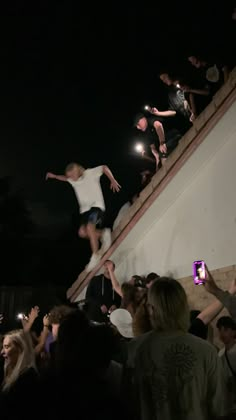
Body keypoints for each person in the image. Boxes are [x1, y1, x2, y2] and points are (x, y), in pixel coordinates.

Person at [130, 277, 228, 420]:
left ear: (150, 309)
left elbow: (128, 405)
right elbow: (219, 410)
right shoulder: (207, 351)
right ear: (184, 307)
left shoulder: (134, 349)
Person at [46, 163, 121, 271]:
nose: (71, 179)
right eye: (69, 177)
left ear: (77, 171)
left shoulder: (90, 173)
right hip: (85, 212)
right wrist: (55, 176)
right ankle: (103, 233)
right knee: (82, 233)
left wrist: (112, 180)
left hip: (97, 207)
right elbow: (64, 178)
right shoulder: (72, 180)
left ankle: (95, 256)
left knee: (90, 227)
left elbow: (104, 167)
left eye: (72, 176)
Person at [0, 330, 39, 420]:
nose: (2, 352)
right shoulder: (11, 372)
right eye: (2, 347)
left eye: (6, 347)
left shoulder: (28, 378)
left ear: (21, 349)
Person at [217, 316, 236, 416]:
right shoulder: (220, 354)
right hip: (227, 405)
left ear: (233, 332)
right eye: (220, 330)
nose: (222, 333)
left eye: (226, 329)